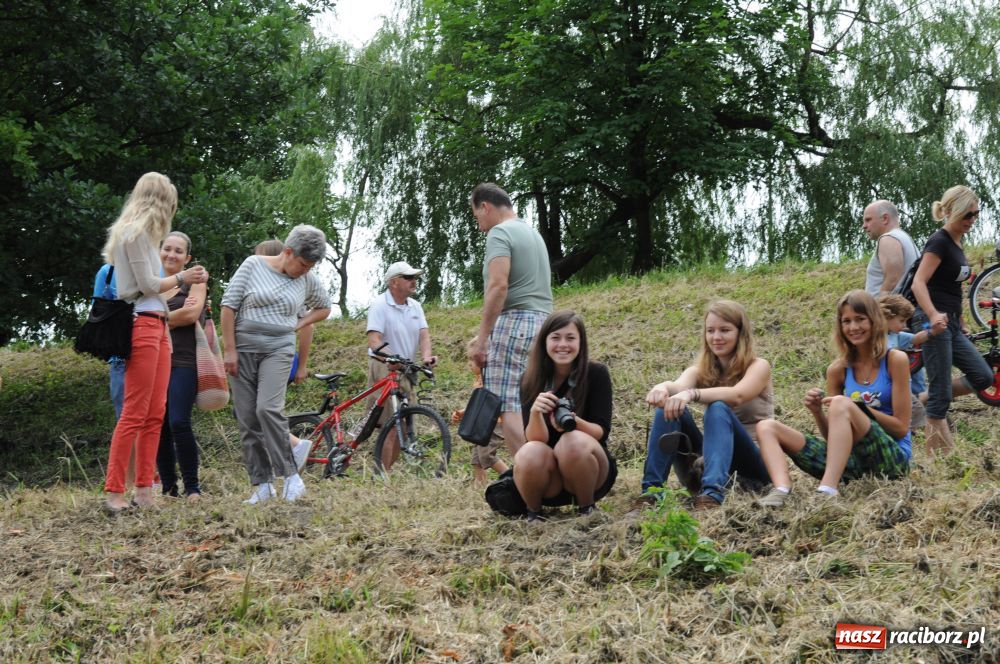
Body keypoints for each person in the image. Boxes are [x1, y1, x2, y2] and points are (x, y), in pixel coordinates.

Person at [102, 173, 209, 514]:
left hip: (159, 325)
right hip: (143, 325)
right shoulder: (133, 235)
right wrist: (182, 278)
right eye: (170, 204)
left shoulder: (145, 239)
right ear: (160, 202)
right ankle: (115, 492)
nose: (171, 213)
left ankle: (145, 490)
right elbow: (147, 285)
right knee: (135, 413)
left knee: (155, 413)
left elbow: (152, 287)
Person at [755, 290, 912, 506]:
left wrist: (858, 409)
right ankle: (781, 490)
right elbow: (834, 439)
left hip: (891, 460)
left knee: (841, 403)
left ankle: (827, 490)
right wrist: (817, 412)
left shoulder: (895, 359)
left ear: (874, 321)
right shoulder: (838, 369)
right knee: (766, 427)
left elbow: (901, 428)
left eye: (860, 319)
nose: (853, 327)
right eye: (846, 321)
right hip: (851, 463)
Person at [222, 225, 331, 504]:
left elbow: (324, 307)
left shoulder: (306, 280)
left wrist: (301, 322)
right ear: (288, 252)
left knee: (267, 409)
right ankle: (262, 486)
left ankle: (292, 478)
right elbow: (228, 306)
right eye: (303, 264)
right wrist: (230, 350)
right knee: (247, 419)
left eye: (311, 266)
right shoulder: (253, 265)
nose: (305, 270)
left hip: (278, 350)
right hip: (243, 349)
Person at [634, 300, 773, 511]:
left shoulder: (758, 366)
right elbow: (678, 386)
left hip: (753, 465)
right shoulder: (701, 369)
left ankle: (711, 495)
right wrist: (662, 388)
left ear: (740, 333)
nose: (716, 337)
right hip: (711, 462)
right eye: (710, 331)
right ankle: (651, 493)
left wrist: (691, 394)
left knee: (718, 407)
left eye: (725, 330)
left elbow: (737, 395)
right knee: (668, 407)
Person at [468, 183, 553, 457]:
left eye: (477, 216)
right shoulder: (533, 233)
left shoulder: (500, 233)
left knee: (507, 405)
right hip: (545, 325)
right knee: (534, 403)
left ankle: (529, 476)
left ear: (486, 206)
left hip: (514, 323)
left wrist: (482, 339)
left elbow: (498, 286)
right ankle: (550, 467)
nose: (479, 225)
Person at [910, 185, 994, 454]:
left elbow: (953, 288)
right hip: (933, 322)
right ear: (949, 212)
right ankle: (940, 460)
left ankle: (918, 401)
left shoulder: (957, 241)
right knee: (941, 396)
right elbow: (918, 283)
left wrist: (962, 320)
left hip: (952, 323)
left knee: (983, 376)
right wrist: (933, 315)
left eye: (975, 214)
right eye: (966, 214)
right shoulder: (939, 241)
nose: (972, 220)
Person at [513, 310, 615, 521]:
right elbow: (534, 440)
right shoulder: (530, 380)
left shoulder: (596, 373)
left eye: (570, 338)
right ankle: (534, 513)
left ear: (581, 342)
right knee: (529, 451)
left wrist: (574, 422)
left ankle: (587, 509)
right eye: (555, 337)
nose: (563, 345)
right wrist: (536, 413)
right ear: (544, 341)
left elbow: (601, 432)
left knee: (572, 441)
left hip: (590, 471)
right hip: (549, 479)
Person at [365, 261, 437, 470]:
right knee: (391, 426)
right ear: (393, 282)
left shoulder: (416, 306)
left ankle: (383, 471)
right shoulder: (380, 305)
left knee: (404, 425)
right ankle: (382, 474)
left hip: (406, 369)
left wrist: (426, 357)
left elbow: (424, 336)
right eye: (408, 277)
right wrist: (392, 357)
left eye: (414, 277)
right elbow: (374, 341)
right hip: (384, 367)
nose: (413, 281)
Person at [155, 231, 207, 501]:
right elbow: (132, 315)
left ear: (187, 258)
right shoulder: (151, 283)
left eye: (178, 251)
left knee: (178, 421)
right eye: (167, 249)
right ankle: (168, 487)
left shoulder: (195, 282)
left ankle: (193, 487)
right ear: (159, 250)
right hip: (153, 361)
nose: (171, 255)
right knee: (159, 424)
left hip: (183, 361)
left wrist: (156, 317)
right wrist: (172, 316)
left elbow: (190, 314)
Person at [254, 239, 314, 471]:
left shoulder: (288, 288)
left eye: (260, 257)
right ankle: (281, 457)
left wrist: (302, 365)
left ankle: (294, 447)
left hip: (279, 357)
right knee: (255, 411)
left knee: (262, 410)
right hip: (260, 357)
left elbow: (308, 326)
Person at [452, 336, 509, 485]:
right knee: (476, 458)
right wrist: (464, 412)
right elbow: (479, 405)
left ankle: (512, 477)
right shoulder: (479, 379)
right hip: (484, 423)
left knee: (486, 455)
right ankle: (480, 485)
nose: (469, 364)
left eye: (473, 359)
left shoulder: (489, 379)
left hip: (495, 423)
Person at [877, 294, 931, 429]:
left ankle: (910, 431)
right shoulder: (874, 336)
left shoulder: (897, 336)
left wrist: (931, 330)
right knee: (914, 410)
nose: (904, 325)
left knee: (915, 410)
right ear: (887, 316)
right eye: (901, 321)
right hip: (883, 385)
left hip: (899, 386)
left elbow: (916, 339)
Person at [863, 200, 919, 296]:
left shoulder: (888, 239)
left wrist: (881, 308)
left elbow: (893, 281)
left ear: (885, 218)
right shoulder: (905, 238)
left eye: (868, 220)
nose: (864, 226)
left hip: (889, 308)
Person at [92, 264, 126, 418]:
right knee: (126, 419)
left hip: (152, 355)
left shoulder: (154, 267)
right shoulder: (108, 272)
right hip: (120, 359)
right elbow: (97, 313)